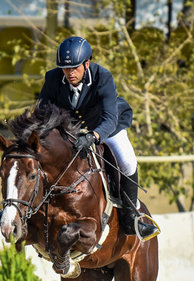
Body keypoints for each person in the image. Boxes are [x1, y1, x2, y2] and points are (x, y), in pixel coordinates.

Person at [38, 36, 158, 240]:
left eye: (75, 67)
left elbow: (110, 118)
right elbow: (42, 113)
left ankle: (131, 217)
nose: (70, 73)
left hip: (106, 126)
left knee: (127, 161)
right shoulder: (52, 78)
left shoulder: (103, 77)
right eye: (66, 69)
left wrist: (94, 136)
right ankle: (23, 210)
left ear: (87, 63)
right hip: (72, 129)